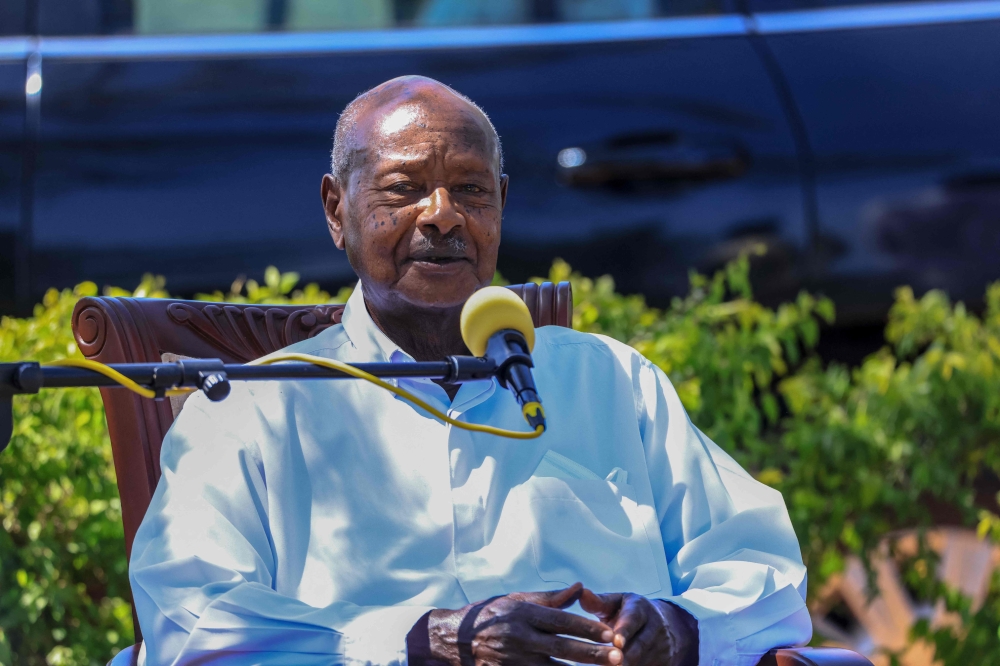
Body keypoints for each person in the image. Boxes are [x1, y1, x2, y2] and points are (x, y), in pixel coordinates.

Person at [129, 76, 811, 666]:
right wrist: (420, 645)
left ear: (502, 205)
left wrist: (681, 631)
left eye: (471, 191)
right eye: (404, 189)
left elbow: (764, 574)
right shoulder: (253, 409)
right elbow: (187, 624)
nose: (443, 216)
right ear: (338, 210)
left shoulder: (610, 382)